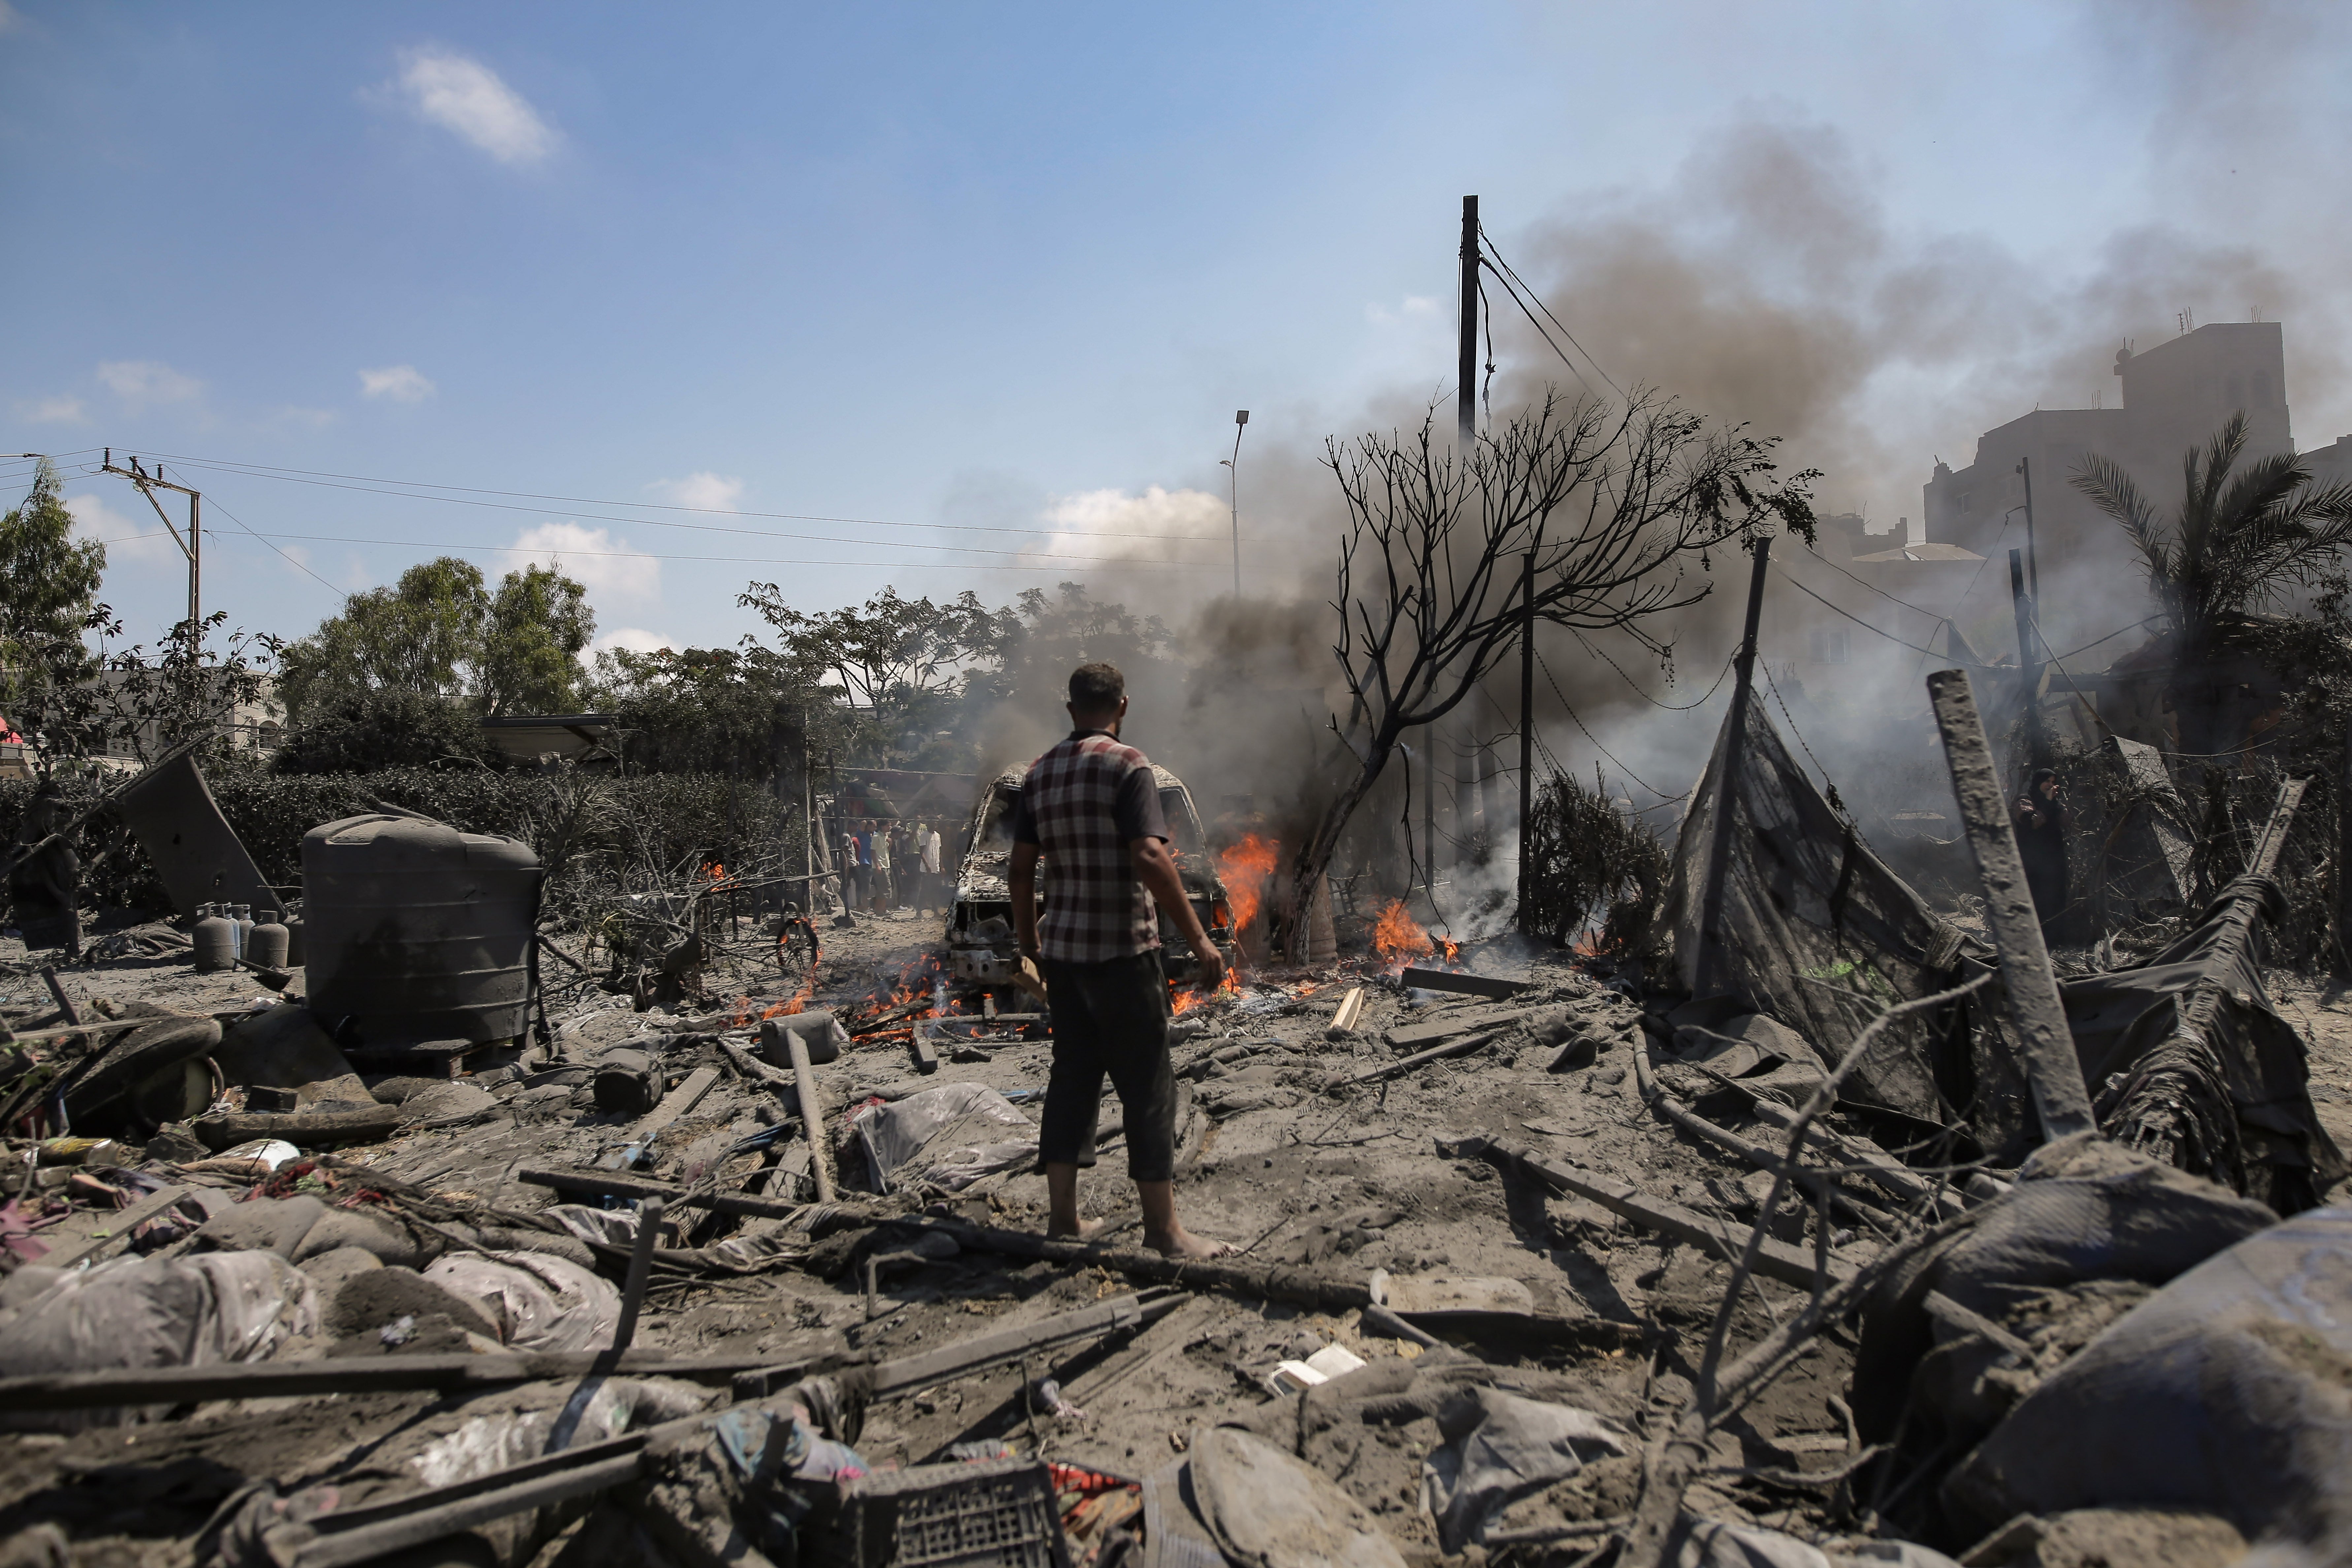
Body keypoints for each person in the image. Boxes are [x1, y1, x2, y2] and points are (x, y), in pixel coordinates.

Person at [1009, 662, 1228, 1259]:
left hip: (1065, 959)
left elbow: (1020, 869)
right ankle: (1163, 1231)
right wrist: (1201, 939)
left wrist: (1031, 947)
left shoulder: (1039, 772)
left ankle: (1064, 1220)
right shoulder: (1129, 765)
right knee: (1148, 1086)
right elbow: (1151, 860)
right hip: (1124, 954)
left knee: (1072, 1080)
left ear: (1069, 707)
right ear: (1122, 706)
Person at [7, 780, 82, 960]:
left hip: (53, 850)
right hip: (43, 851)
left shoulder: (52, 803)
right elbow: (41, 823)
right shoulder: (46, 803)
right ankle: (70, 947)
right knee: (59, 894)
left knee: (66, 896)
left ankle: (71, 947)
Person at [2014, 768, 2069, 933]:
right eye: (2047, 781)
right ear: (2038, 782)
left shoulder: (2053, 802)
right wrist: (2047, 802)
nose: (2050, 785)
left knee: (2055, 897)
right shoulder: (2025, 800)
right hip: (2033, 862)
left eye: (2053, 782)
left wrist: (2058, 804)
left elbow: (2068, 822)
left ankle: (2055, 936)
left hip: (2054, 860)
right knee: (2037, 898)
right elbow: (2033, 822)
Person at [920, 819, 944, 914]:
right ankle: (919, 911)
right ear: (928, 824)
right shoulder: (924, 835)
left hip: (936, 867)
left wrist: (942, 867)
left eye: (935, 823)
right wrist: (927, 865)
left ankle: (935, 911)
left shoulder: (938, 836)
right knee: (925, 890)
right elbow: (921, 853)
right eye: (932, 823)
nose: (934, 825)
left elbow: (939, 852)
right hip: (927, 869)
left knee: (936, 889)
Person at [870, 820, 894, 911]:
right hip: (880, 866)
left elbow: (886, 851)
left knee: (881, 890)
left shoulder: (886, 837)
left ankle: (879, 910)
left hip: (886, 865)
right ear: (883, 827)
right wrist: (877, 866)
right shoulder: (877, 837)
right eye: (888, 826)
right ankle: (883, 909)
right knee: (886, 888)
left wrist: (891, 844)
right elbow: (872, 851)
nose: (890, 828)